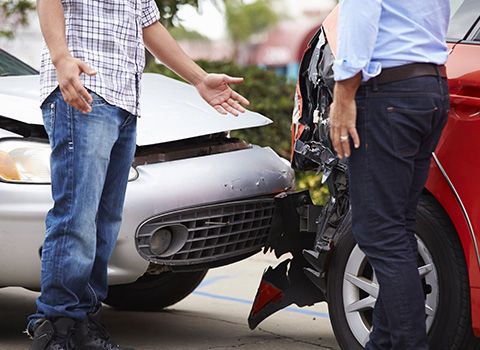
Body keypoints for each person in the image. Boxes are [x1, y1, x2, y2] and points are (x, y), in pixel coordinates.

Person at [27, 1, 250, 349]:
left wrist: (199, 79)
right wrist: (60, 58)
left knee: (105, 222)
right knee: (77, 217)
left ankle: (82, 321)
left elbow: (150, 26)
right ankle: (57, 325)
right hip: (84, 89)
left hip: (124, 101)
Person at [329, 1, 450, 349]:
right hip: (429, 88)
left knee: (380, 232)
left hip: (389, 95)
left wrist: (343, 94)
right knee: (397, 229)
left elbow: (360, 17)